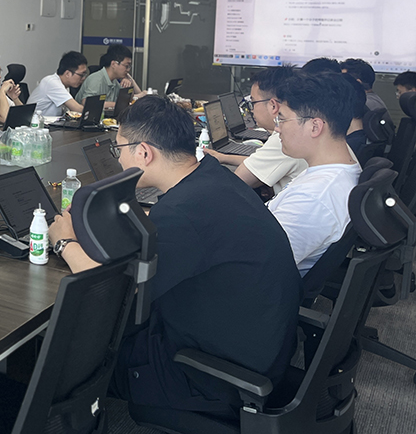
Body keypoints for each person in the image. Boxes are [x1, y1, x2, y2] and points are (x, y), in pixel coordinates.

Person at [49, 96, 300, 418]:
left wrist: (64, 241)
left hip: (210, 379)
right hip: (259, 348)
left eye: (119, 149)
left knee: (64, 354)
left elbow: (114, 293)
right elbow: (189, 232)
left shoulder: (183, 214)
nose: (119, 158)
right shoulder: (212, 179)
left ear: (144, 152)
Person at [268, 70, 362, 275]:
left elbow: (255, 266)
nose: (277, 129)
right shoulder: (343, 166)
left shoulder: (312, 199)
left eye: (282, 120)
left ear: (315, 127)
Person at [204, 66, 305, 197]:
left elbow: (237, 181)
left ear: (273, 105)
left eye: (253, 103)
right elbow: (258, 162)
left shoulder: (284, 139)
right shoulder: (299, 128)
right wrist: (224, 158)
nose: (251, 110)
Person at [76, 44, 145, 111]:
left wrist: (129, 83)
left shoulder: (114, 81)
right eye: (126, 66)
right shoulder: (96, 79)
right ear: (113, 64)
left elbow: (127, 100)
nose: (128, 70)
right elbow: (86, 102)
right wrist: (115, 104)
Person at [27, 51, 91, 118]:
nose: (83, 78)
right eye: (81, 75)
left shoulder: (65, 86)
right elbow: (78, 109)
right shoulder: (51, 83)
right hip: (35, 123)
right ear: (67, 74)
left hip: (51, 122)